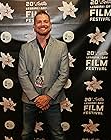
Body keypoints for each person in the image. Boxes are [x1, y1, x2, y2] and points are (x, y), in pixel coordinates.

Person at [18, 10, 69, 140]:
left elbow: (64, 74)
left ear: (50, 25)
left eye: (45, 21)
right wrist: (36, 98)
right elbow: (22, 75)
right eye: (39, 22)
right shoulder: (25, 48)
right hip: (30, 99)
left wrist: (48, 97)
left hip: (53, 98)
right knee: (26, 133)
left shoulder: (61, 47)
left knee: (57, 134)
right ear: (34, 26)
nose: (42, 24)